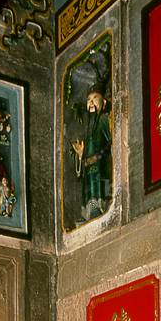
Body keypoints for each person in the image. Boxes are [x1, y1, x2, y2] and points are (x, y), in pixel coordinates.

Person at [71, 85, 112, 222]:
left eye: (95, 98)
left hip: (101, 168)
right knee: (88, 192)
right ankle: (89, 214)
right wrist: (81, 154)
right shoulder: (87, 127)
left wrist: (97, 157)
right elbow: (82, 160)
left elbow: (111, 143)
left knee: (100, 190)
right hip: (88, 170)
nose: (91, 102)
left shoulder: (103, 120)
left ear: (104, 102)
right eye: (89, 100)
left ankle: (101, 209)